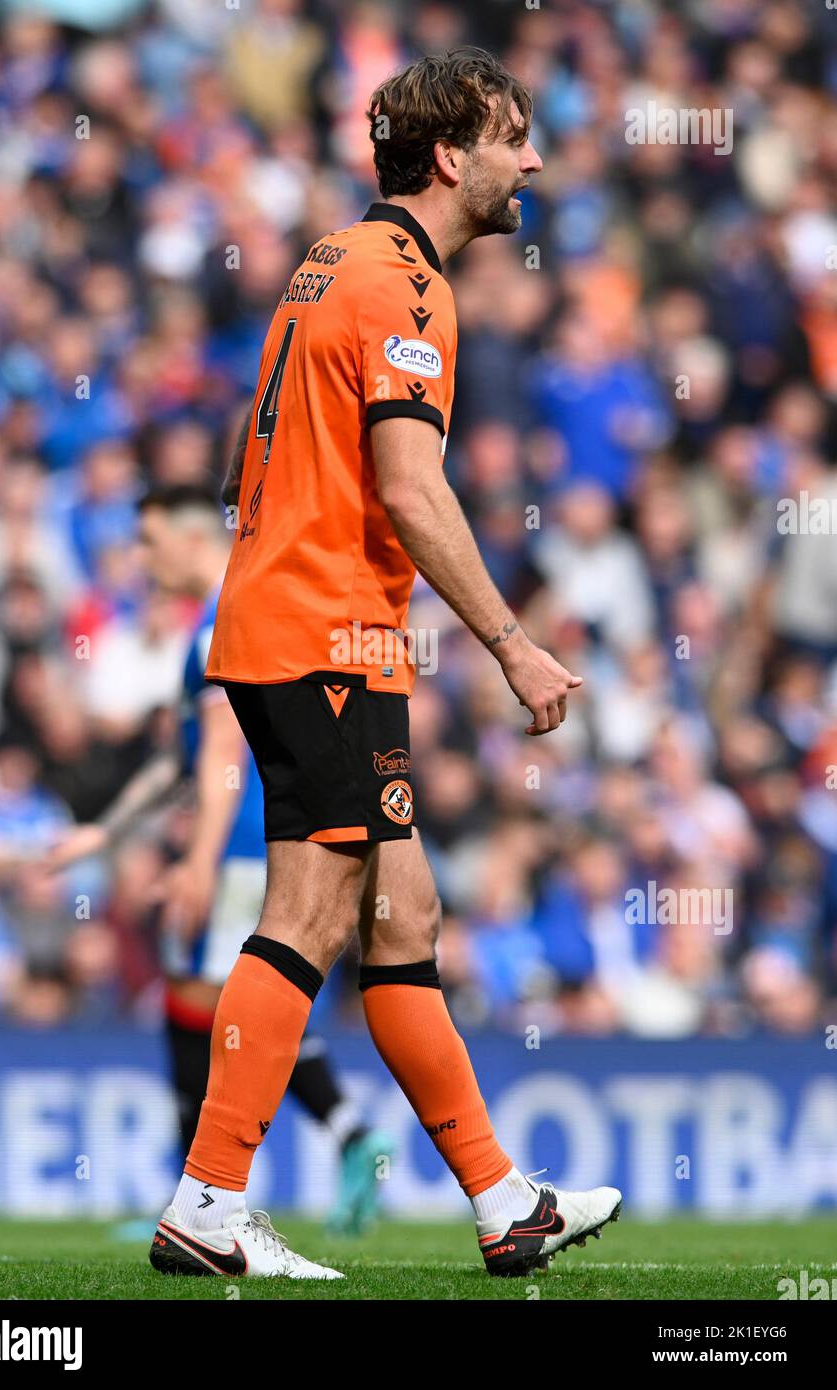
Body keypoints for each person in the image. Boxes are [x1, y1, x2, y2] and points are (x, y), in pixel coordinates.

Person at [151, 47, 621, 1283]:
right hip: (323, 638)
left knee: (402, 910)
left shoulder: (335, 260)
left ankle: (505, 1201)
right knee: (308, 911)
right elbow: (411, 487)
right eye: (516, 135)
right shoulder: (406, 287)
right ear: (453, 155)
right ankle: (208, 1198)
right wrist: (514, 646)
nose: (536, 158)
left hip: (308, 630)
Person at [46, 485, 392, 1236]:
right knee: (218, 1001)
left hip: (238, 846)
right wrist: (106, 833)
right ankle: (345, 1137)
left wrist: (200, 858)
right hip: (249, 841)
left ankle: (206, 1193)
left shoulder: (222, 624)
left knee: (207, 1006)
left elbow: (223, 756)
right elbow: (183, 755)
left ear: (194, 539)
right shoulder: (219, 621)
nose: (142, 558)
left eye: (149, 540)